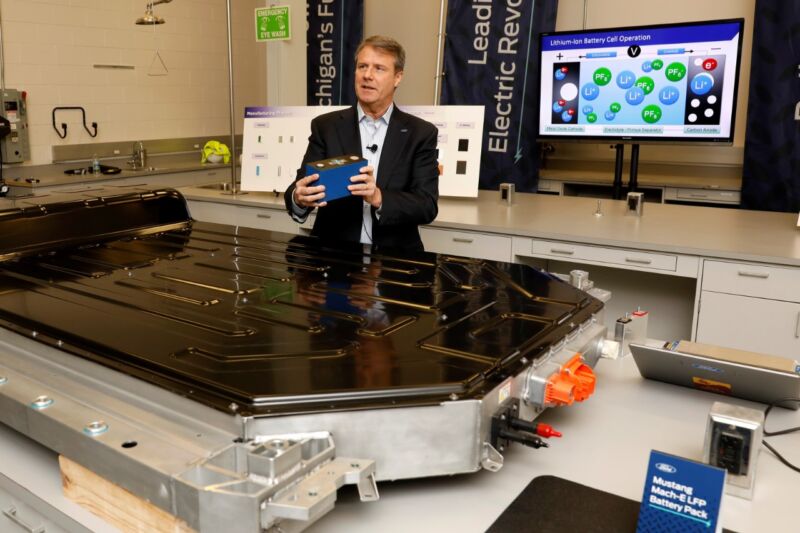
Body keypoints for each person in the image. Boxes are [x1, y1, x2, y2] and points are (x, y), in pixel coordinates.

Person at [285, 35, 439, 253]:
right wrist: (298, 198)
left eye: (378, 68)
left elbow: (427, 205)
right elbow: (301, 185)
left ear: (397, 77)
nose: (367, 75)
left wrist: (378, 197)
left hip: (393, 261)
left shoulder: (420, 133)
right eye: (362, 66)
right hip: (334, 258)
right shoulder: (326, 127)